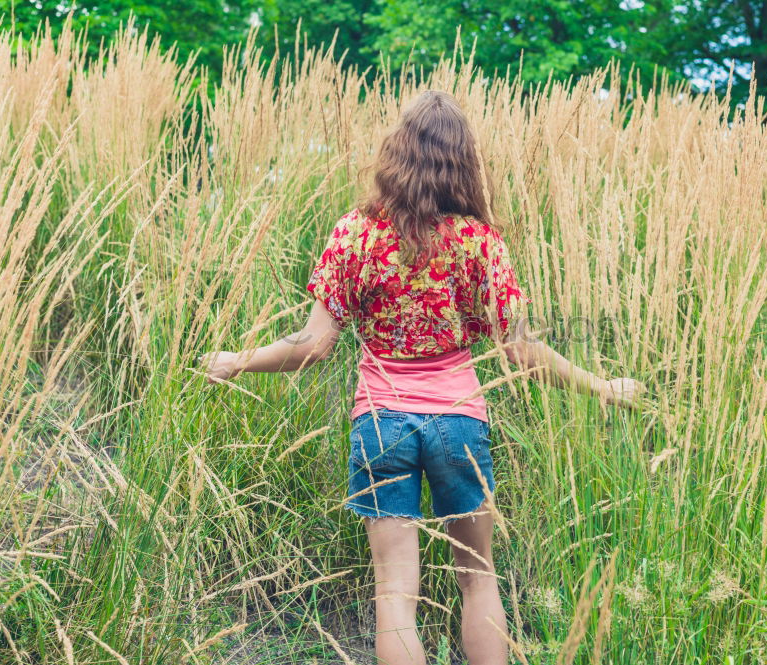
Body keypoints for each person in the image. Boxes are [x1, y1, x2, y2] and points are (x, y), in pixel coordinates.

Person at [200, 90, 645, 665]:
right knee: (478, 581)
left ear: (396, 153)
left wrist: (240, 358)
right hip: (459, 422)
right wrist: (602, 386)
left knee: (395, 595)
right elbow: (521, 350)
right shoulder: (478, 242)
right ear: (463, 161)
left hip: (381, 425)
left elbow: (311, 346)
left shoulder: (356, 233)